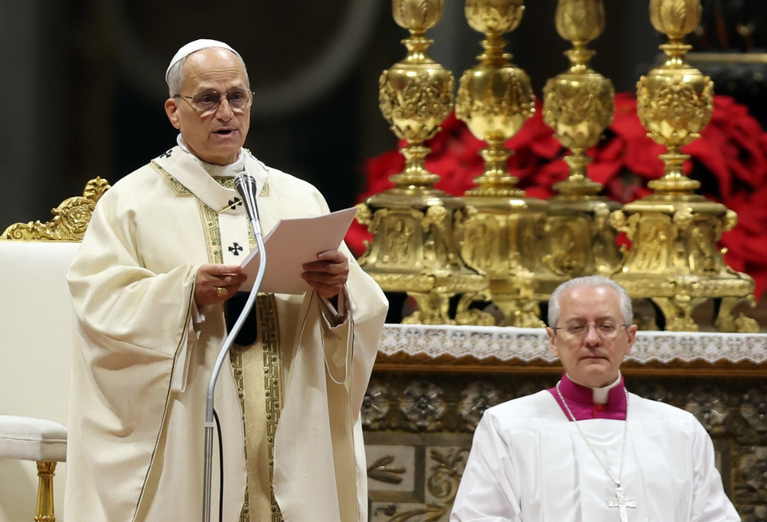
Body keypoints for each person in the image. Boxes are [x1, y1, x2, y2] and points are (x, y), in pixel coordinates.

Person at [64, 39, 388, 522]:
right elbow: (98, 305)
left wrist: (337, 291)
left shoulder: (296, 198)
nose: (226, 113)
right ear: (174, 111)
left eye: (237, 97)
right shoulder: (131, 202)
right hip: (193, 418)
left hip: (290, 416)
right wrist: (183, 293)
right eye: (208, 99)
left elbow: (361, 313)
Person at [450, 276, 740, 522]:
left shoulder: (681, 430)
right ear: (552, 340)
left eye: (606, 326)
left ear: (630, 338)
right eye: (576, 327)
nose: (591, 339)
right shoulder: (507, 426)